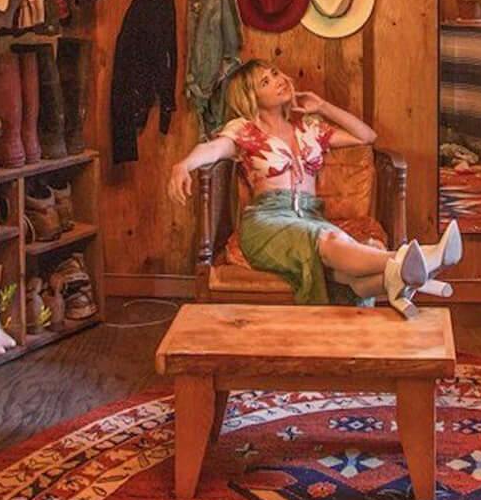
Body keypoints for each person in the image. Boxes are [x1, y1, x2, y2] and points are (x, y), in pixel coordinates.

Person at [168, 59, 461, 316]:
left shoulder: (309, 128)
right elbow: (213, 149)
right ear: (251, 98)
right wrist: (183, 165)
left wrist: (323, 106)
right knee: (332, 240)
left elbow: (366, 136)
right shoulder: (245, 130)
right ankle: (414, 259)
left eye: (276, 73)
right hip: (268, 221)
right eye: (265, 82)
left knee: (347, 278)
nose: (279, 80)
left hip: (309, 217)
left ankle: (403, 276)